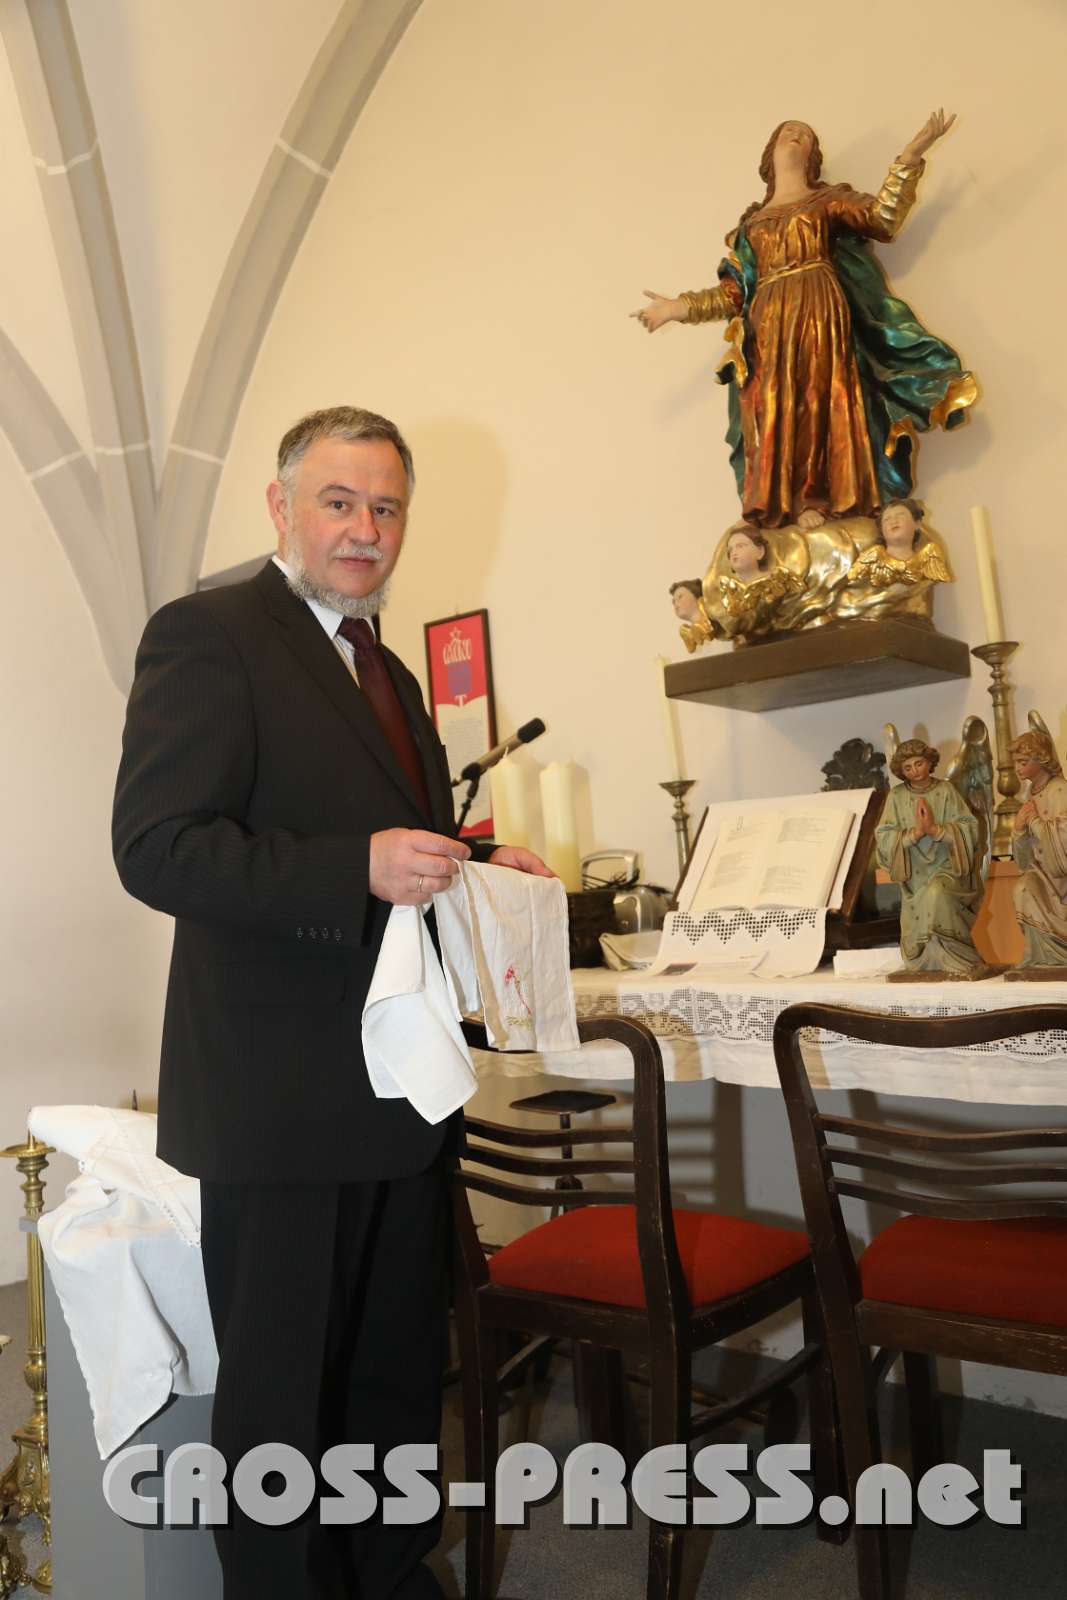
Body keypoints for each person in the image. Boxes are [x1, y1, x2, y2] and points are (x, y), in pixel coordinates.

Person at [112, 406, 551, 1600]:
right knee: (281, 1405)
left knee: (391, 1380)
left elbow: (389, 847)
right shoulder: (208, 635)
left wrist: (478, 864)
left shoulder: (388, 671)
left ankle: (392, 1577)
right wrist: (353, 867)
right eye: (339, 502)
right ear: (282, 507)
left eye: (385, 507)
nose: (364, 529)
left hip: (398, 1092)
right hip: (278, 1099)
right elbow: (156, 846)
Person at [632, 113, 976, 529]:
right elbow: (732, 293)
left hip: (819, 312)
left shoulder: (827, 200)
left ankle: (819, 498)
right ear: (771, 152)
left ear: (812, 157)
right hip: (767, 327)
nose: (796, 135)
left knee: (819, 400)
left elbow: (882, 219)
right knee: (769, 409)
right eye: (787, 132)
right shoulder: (751, 225)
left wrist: (910, 156)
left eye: (805, 135)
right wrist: (676, 308)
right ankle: (778, 506)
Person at [875, 738, 986, 977]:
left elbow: (969, 827)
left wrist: (936, 830)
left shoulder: (946, 790)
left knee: (937, 892)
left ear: (929, 762)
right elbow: (883, 836)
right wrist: (915, 834)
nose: (914, 771)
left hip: (947, 867)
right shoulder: (896, 796)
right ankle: (925, 961)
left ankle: (956, 959)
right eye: (907, 768)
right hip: (914, 876)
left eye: (919, 763)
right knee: (925, 897)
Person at [1009, 730, 1067, 971]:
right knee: (1023, 887)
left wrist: (1033, 821)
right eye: (1016, 762)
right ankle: (1039, 956)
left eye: (1023, 762)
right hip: (1040, 872)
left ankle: (1058, 956)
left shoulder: (1060, 790)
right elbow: (1023, 861)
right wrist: (1018, 830)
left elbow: (1063, 835)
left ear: (1041, 759)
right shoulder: (1030, 794)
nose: (1017, 768)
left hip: (1061, 877)